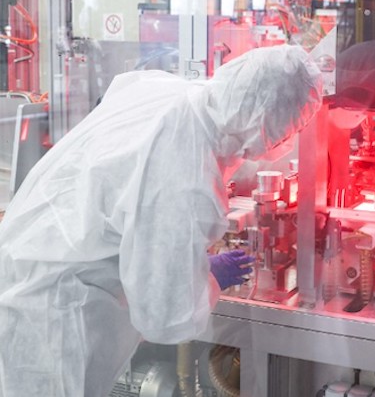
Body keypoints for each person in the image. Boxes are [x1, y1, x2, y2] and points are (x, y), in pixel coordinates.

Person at [0, 45, 323, 396]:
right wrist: (206, 278)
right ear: (268, 125)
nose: (287, 142)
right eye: (289, 131)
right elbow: (165, 318)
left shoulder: (168, 91)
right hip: (56, 319)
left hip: (28, 262)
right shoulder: (183, 169)